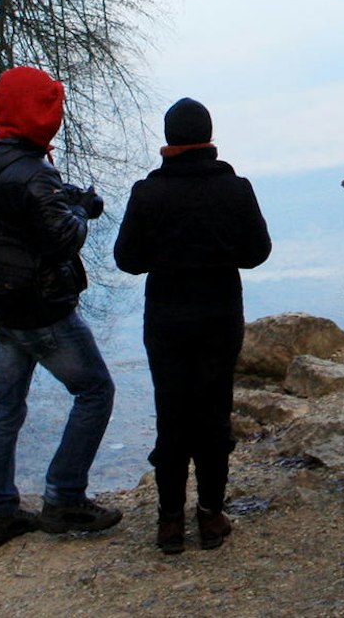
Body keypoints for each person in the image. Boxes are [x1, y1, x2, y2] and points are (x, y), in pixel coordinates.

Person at [0, 65, 123, 549]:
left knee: (5, 406)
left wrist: (63, 195)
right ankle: (64, 498)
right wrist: (78, 208)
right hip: (40, 309)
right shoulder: (32, 173)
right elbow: (64, 237)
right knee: (95, 391)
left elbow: (14, 212)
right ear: (38, 114)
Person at [114, 98, 271, 554]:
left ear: (169, 140)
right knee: (214, 413)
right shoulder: (235, 189)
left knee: (172, 415)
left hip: (166, 318)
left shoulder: (148, 193)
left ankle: (168, 523)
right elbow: (257, 252)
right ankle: (210, 515)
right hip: (220, 314)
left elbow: (127, 260)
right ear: (209, 137)